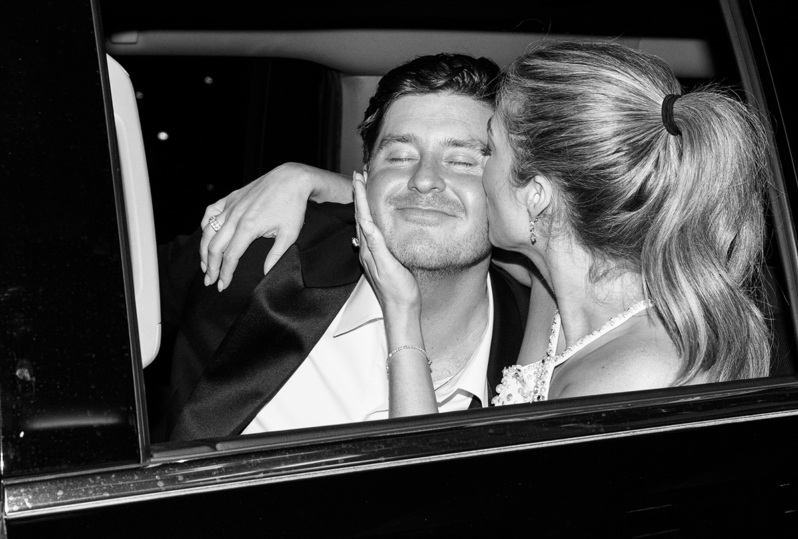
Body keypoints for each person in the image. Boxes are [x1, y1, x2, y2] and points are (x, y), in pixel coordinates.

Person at [199, 40, 779, 412]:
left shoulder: (632, 378)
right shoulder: (562, 290)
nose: (445, 178)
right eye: (402, 154)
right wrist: (316, 181)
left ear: (538, 197)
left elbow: (440, 522)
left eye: (481, 156)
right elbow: (431, 208)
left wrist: (403, 321)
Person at [151, 53, 530, 442]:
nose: (424, 179)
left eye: (464, 161)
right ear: (365, 177)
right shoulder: (262, 255)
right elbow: (110, 296)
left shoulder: (537, 336)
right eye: (400, 156)